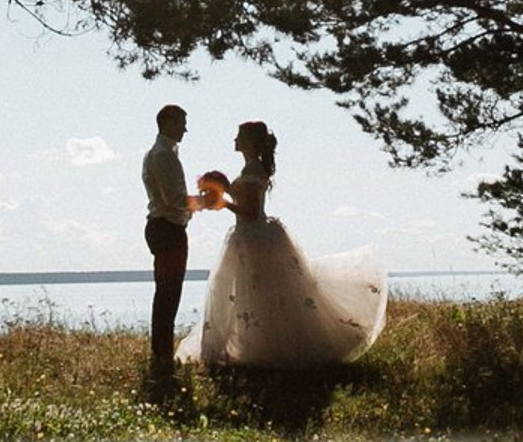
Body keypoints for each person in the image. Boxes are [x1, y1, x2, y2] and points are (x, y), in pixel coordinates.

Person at [182, 121, 387, 369]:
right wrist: (223, 188)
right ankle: (253, 348)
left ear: (248, 141)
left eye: (238, 135)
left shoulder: (255, 169)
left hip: (255, 239)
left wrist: (224, 203)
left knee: (264, 295)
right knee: (256, 296)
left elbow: (251, 211)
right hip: (248, 239)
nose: (234, 138)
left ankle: (269, 351)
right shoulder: (250, 167)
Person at [141, 101, 193, 374]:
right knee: (168, 293)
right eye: (182, 122)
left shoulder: (164, 153)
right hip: (168, 228)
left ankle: (161, 352)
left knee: (167, 292)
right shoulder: (162, 155)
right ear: (168, 122)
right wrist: (207, 201)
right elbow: (175, 200)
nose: (186, 128)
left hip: (165, 226)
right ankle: (161, 355)